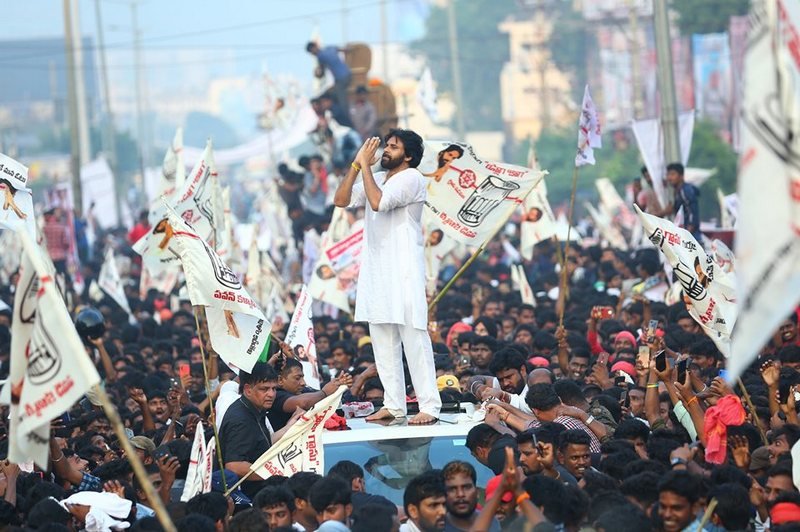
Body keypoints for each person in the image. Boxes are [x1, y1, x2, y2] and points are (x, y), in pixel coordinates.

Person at [333, 130, 441, 425]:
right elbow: (341, 200)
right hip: (377, 273)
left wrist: (366, 167)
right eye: (387, 145)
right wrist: (357, 165)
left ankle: (430, 405)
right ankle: (394, 406)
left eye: (394, 147)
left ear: (407, 156)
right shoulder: (377, 177)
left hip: (404, 272)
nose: (386, 150)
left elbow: (379, 202)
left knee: (414, 338)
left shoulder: (411, 178)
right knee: (382, 341)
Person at [218, 363, 279, 497]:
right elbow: (234, 465)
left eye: (274, 389)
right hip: (249, 498)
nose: (271, 394)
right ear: (248, 389)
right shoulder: (241, 420)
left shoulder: (256, 409)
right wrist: (275, 473)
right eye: (264, 389)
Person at [441, 461, 501, 531]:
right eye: (452, 489)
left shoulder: (492, 523)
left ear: (477, 492)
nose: (460, 494)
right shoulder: (437, 528)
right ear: (443, 495)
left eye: (466, 487)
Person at [307, 41, 352, 122]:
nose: (313, 54)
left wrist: (317, 73)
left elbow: (321, 73)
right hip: (347, 74)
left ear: (314, 48)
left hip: (341, 78)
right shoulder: (329, 48)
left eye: (312, 51)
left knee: (341, 99)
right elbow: (343, 49)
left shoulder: (320, 56)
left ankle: (347, 118)